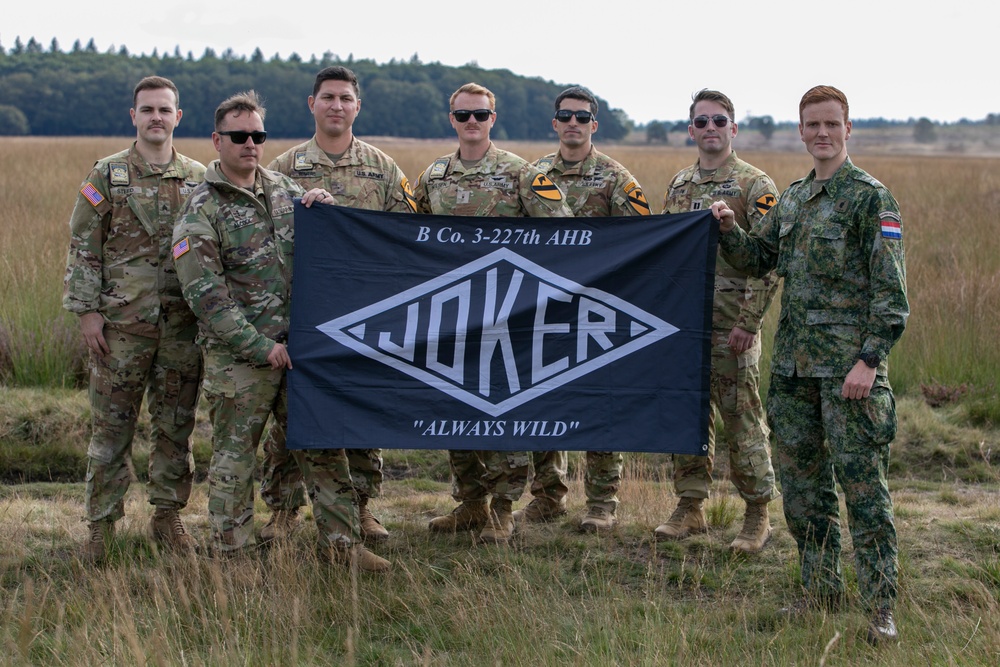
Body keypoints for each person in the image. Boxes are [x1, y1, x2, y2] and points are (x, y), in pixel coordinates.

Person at [710, 85, 907, 644]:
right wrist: (728, 229)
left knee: (864, 492)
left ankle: (880, 609)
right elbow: (759, 258)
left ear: (848, 129)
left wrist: (869, 361)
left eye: (831, 124)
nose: (822, 134)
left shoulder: (872, 199)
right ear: (800, 132)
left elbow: (891, 296)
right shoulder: (793, 199)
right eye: (812, 125)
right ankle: (820, 593)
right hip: (794, 374)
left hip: (850, 375)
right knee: (803, 492)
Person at [171, 90, 389, 571]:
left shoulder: (287, 191)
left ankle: (343, 546)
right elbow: (205, 295)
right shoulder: (200, 208)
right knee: (234, 459)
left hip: (300, 351)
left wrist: (327, 209)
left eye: (258, 135)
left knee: (323, 446)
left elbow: (325, 257)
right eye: (239, 135)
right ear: (216, 140)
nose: (250, 144)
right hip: (241, 358)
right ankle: (233, 553)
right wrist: (259, 346)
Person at [260, 65, 417, 545]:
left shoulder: (383, 169)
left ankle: (362, 508)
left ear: (357, 106)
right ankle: (284, 509)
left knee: (359, 407)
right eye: (327, 97)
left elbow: (407, 233)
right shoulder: (282, 169)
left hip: (363, 313)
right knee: (293, 411)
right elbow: (261, 237)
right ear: (312, 104)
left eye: (345, 98)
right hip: (300, 311)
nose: (336, 106)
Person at [413, 82, 573, 543]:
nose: (471, 123)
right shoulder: (434, 177)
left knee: (503, 409)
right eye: (463, 115)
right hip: (452, 316)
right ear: (452, 120)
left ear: (492, 119)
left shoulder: (521, 174)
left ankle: (503, 508)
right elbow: (408, 233)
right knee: (452, 405)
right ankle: (471, 503)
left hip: (509, 315)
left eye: (480, 115)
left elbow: (560, 233)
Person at [63, 76, 205, 563]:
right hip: (120, 329)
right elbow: (84, 247)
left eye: (165, 110)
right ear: (134, 116)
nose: (156, 118)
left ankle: (168, 516)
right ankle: (100, 527)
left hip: (181, 329)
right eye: (147, 110)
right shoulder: (107, 174)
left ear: (178, 117)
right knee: (110, 431)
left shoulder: (198, 178)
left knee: (175, 428)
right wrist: (86, 313)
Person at [514, 85, 650, 532]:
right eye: (566, 116)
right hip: (544, 309)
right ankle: (548, 496)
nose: (573, 123)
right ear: (554, 123)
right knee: (542, 399)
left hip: (597, 310)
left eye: (582, 116)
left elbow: (641, 241)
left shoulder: (616, 178)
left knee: (598, 401)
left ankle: (602, 502)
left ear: (595, 124)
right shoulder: (532, 174)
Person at [655, 89, 780, 553]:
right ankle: (690, 507)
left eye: (719, 121)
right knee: (687, 417)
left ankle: (757, 513)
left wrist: (749, 323)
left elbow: (769, 261)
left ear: (734, 128)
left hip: (733, 328)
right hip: (685, 326)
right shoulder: (679, 185)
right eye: (702, 122)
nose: (711, 129)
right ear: (691, 130)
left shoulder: (755, 185)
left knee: (741, 421)